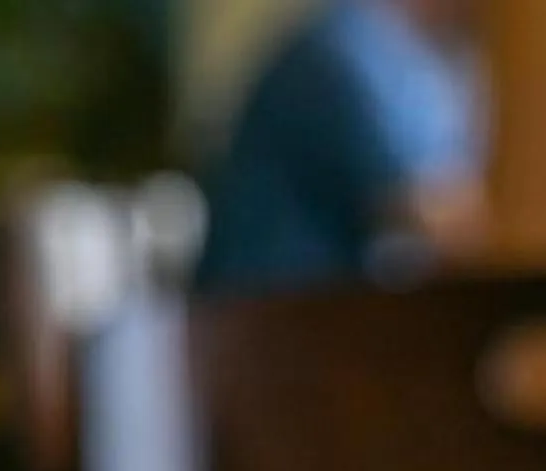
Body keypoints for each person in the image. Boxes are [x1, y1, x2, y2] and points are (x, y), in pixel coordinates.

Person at [197, 0, 488, 294]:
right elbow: (431, 214)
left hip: (315, 300)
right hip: (264, 302)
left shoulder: (410, 54)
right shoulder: (342, 47)